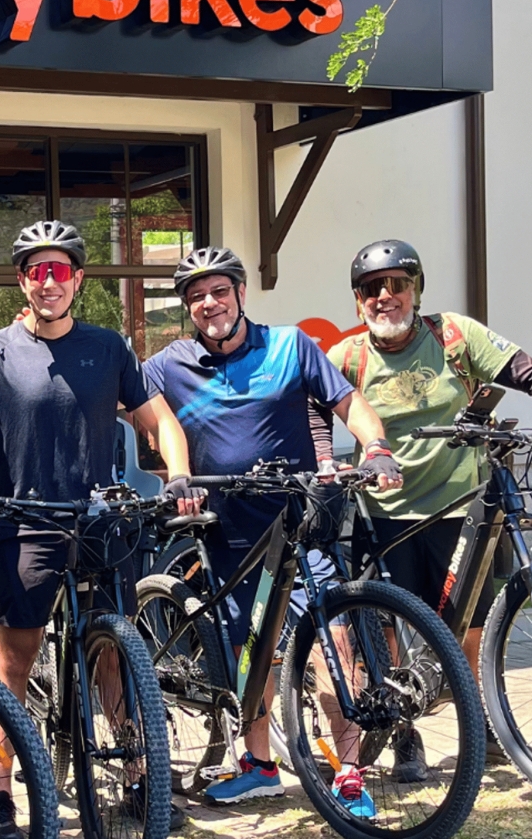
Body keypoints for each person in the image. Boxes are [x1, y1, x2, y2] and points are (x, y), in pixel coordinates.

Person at [0, 220, 198, 839]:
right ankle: (1, 793)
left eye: (59, 270)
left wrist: (179, 474)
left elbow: (160, 420)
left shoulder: (109, 347)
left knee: (115, 657)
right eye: (36, 271)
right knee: (13, 661)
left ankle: (136, 775)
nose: (48, 282)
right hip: (26, 523)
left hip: (101, 521)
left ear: (78, 278)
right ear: (22, 281)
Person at [140, 247, 400, 815]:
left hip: (299, 519)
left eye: (219, 291)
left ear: (240, 293)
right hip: (228, 527)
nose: (209, 303)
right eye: (196, 296)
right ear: (187, 307)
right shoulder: (166, 365)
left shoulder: (289, 345)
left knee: (331, 640)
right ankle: (258, 767)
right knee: (248, 651)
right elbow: (142, 416)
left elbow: (348, 402)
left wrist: (376, 447)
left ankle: (349, 771)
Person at [328, 239, 532, 761]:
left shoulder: (453, 336)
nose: (385, 296)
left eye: (397, 284)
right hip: (384, 516)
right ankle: (404, 736)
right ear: (358, 302)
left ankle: (481, 723)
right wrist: (323, 459)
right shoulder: (347, 356)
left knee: (470, 629)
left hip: (460, 511)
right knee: (390, 631)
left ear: (416, 290)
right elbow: (312, 403)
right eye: (371, 289)